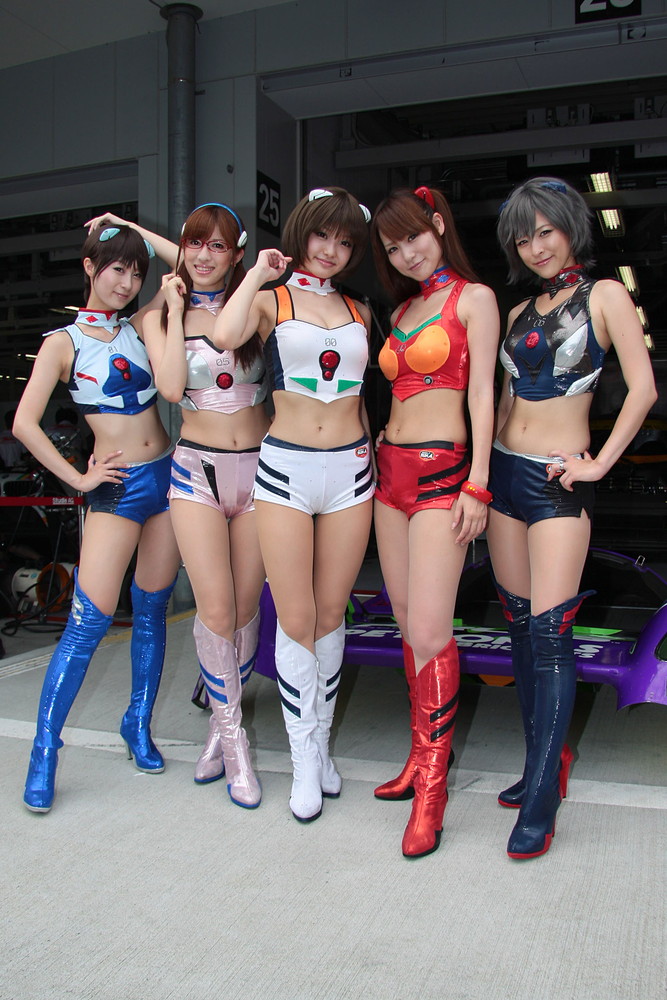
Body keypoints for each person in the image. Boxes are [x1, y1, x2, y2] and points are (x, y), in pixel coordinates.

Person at [488, 176, 657, 860]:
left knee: (551, 636)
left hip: (558, 482)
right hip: (504, 476)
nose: (535, 247)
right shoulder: (516, 310)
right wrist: (479, 478)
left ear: (569, 227)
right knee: (520, 632)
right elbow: (504, 401)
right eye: (523, 238)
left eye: (545, 231)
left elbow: (643, 388)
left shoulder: (605, 295)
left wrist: (598, 464)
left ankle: (541, 802)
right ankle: (541, 764)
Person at [214, 187, 374, 822]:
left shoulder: (361, 309)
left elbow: (361, 396)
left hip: (351, 473)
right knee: (297, 615)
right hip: (285, 469)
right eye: (322, 235)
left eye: (345, 241)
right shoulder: (270, 300)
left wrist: (368, 454)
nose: (331, 250)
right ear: (303, 232)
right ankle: (303, 758)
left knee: (332, 612)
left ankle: (322, 746)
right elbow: (225, 334)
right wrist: (258, 270)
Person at [14, 224, 181, 813]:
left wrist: (131, 230)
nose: (128, 282)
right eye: (116, 268)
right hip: (116, 488)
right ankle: (44, 750)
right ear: (89, 267)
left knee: (154, 609)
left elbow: (186, 264)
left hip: (167, 478)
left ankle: (137, 722)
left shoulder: (139, 324)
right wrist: (78, 479)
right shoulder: (62, 343)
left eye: (135, 272)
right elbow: (24, 423)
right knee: (88, 622)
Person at [370, 185, 499, 858]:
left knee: (429, 629)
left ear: (439, 225)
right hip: (387, 475)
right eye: (393, 247)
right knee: (405, 626)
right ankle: (418, 757)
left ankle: (433, 791)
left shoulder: (473, 299)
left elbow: (483, 395)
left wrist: (478, 482)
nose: (406, 253)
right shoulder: (401, 309)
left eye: (413, 237)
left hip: (442, 475)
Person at [140, 203, 269, 809]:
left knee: (246, 606)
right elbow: (170, 387)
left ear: (237, 253)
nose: (203, 255)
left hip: (262, 474)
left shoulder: (257, 306)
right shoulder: (159, 315)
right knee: (215, 607)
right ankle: (235, 744)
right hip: (196, 473)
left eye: (218, 246)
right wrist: (171, 309)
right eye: (194, 244)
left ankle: (220, 728)